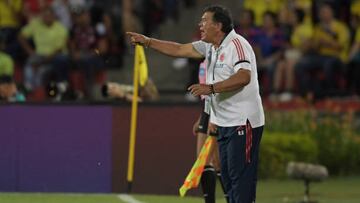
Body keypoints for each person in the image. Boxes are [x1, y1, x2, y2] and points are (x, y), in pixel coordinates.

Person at [127, 5, 265, 203]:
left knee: (240, 180)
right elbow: (179, 49)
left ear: (218, 25)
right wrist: (148, 42)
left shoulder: (237, 44)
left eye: (204, 21)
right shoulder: (210, 46)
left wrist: (211, 88)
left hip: (244, 122)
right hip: (225, 123)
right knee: (228, 178)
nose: (200, 25)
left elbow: (244, 76)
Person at [192, 61, 228, 203]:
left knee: (218, 162)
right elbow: (206, 96)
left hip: (217, 111)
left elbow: (218, 90)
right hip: (207, 110)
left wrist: (214, 117)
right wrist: (201, 118)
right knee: (203, 160)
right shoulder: (203, 63)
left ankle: (231, 198)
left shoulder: (218, 60)